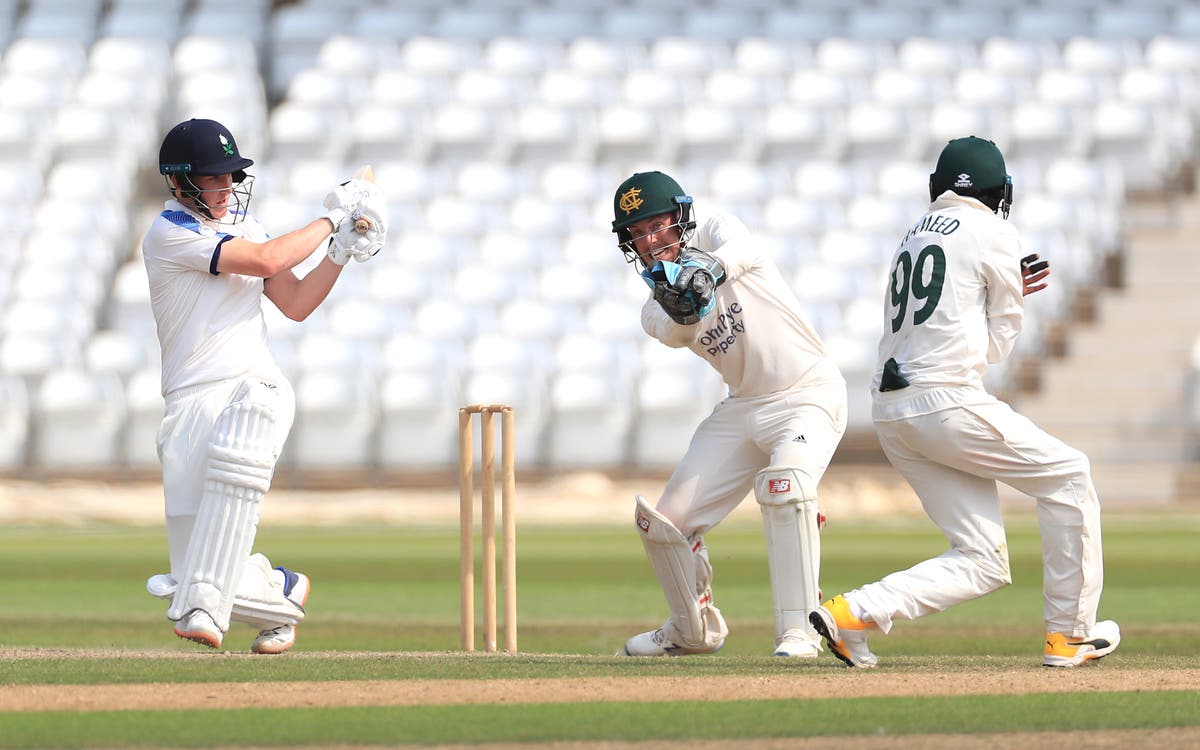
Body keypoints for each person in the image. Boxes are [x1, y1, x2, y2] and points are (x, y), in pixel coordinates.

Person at [809, 136, 1120, 669]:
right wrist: (1009, 294)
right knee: (1070, 476)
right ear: (1000, 192)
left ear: (938, 188)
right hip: (944, 402)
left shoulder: (910, 235)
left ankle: (851, 612)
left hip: (891, 413)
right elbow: (995, 347)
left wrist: (985, 295)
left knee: (983, 559)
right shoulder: (994, 229)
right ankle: (1070, 635)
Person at [140, 118, 387, 654]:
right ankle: (279, 590)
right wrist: (332, 216)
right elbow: (271, 260)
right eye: (214, 178)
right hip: (186, 401)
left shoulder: (248, 228)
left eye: (231, 176)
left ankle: (207, 608)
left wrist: (340, 251)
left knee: (202, 584)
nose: (227, 187)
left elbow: (295, 304)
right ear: (180, 182)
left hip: (254, 387)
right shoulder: (169, 233)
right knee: (194, 569)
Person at [611, 171, 848, 658]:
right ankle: (690, 631)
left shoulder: (717, 230)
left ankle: (799, 630)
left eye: (657, 225)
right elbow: (677, 331)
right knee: (665, 522)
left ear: (680, 217)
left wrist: (707, 272)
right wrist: (683, 301)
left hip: (808, 392)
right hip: (743, 406)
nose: (650, 241)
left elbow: (748, 251)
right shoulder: (652, 309)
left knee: (786, 486)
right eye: (637, 233)